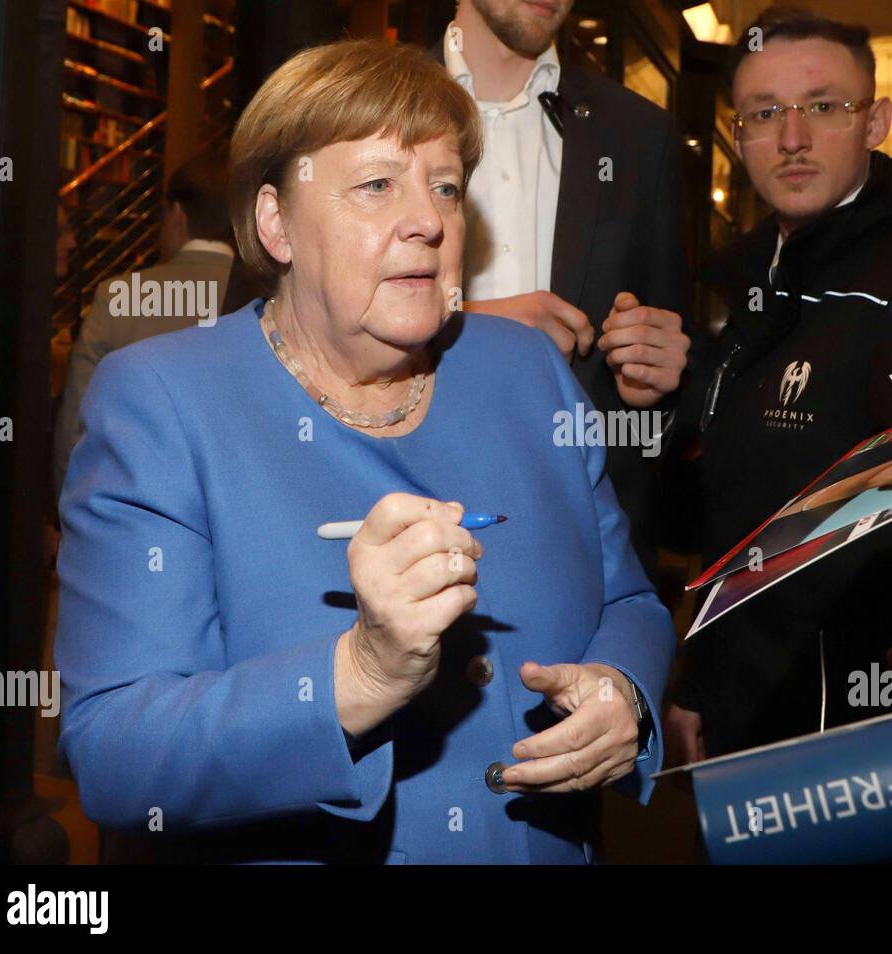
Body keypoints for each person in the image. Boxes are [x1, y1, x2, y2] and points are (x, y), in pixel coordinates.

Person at [53, 39, 673, 865]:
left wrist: (623, 692)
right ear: (275, 223)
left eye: (446, 187)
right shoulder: (163, 403)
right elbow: (115, 756)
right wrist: (361, 676)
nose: (428, 219)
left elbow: (631, 601)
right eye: (377, 185)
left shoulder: (526, 372)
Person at [663, 6, 892, 763]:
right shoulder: (749, 282)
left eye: (824, 106)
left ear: (874, 122)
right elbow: (737, 504)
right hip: (749, 705)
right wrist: (702, 680)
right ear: (739, 138)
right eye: (766, 113)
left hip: (881, 717)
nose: (793, 138)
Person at [432, 0, 692, 580]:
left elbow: (668, 393)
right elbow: (294, 320)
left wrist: (658, 381)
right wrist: (470, 329)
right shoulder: (361, 108)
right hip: (391, 509)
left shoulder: (640, 136)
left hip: (575, 546)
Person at [53, 152, 236, 500]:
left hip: (127, 502)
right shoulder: (269, 295)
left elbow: (77, 422)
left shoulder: (121, 295)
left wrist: (69, 508)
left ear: (177, 215)